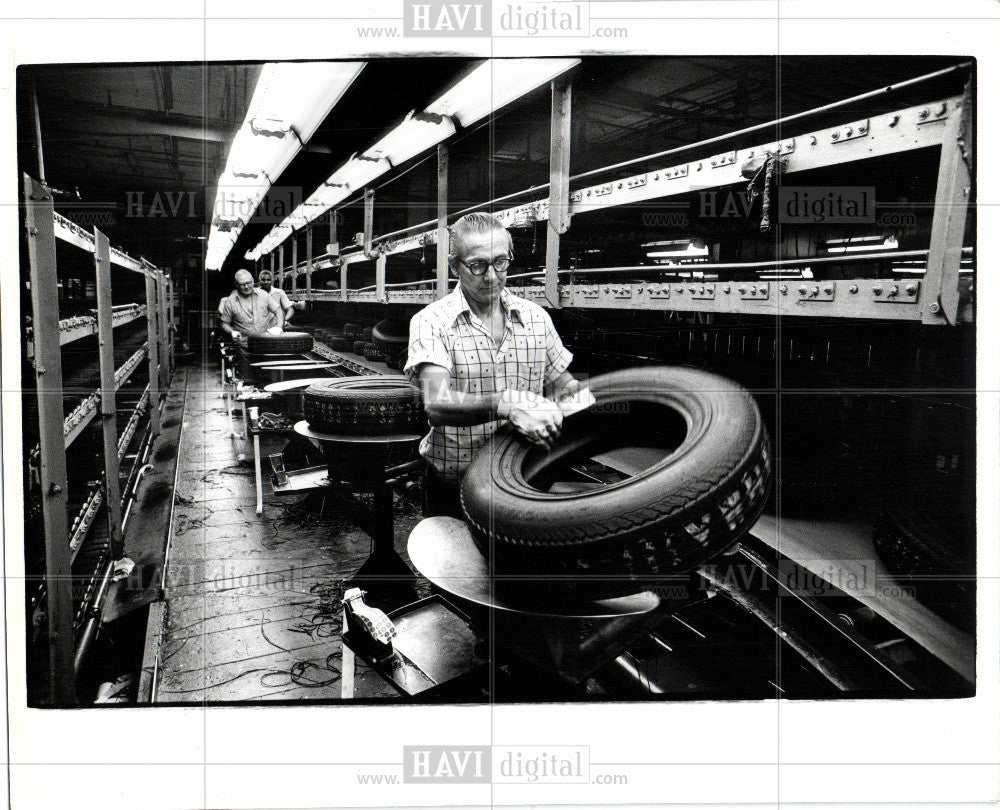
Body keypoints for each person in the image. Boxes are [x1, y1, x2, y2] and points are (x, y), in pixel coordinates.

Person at [404, 212, 580, 518]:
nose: (491, 276)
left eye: (500, 262)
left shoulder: (536, 318)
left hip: (525, 483)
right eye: (477, 265)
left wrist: (607, 405)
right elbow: (436, 403)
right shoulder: (430, 322)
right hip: (455, 488)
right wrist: (507, 403)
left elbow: (567, 387)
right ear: (454, 265)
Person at [217, 268, 283, 346]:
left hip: (265, 342)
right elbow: (224, 323)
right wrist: (232, 332)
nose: (247, 287)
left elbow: (278, 310)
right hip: (243, 344)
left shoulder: (264, 295)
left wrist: (279, 326)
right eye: (242, 284)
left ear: (253, 280)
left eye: (249, 283)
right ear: (236, 284)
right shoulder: (230, 301)